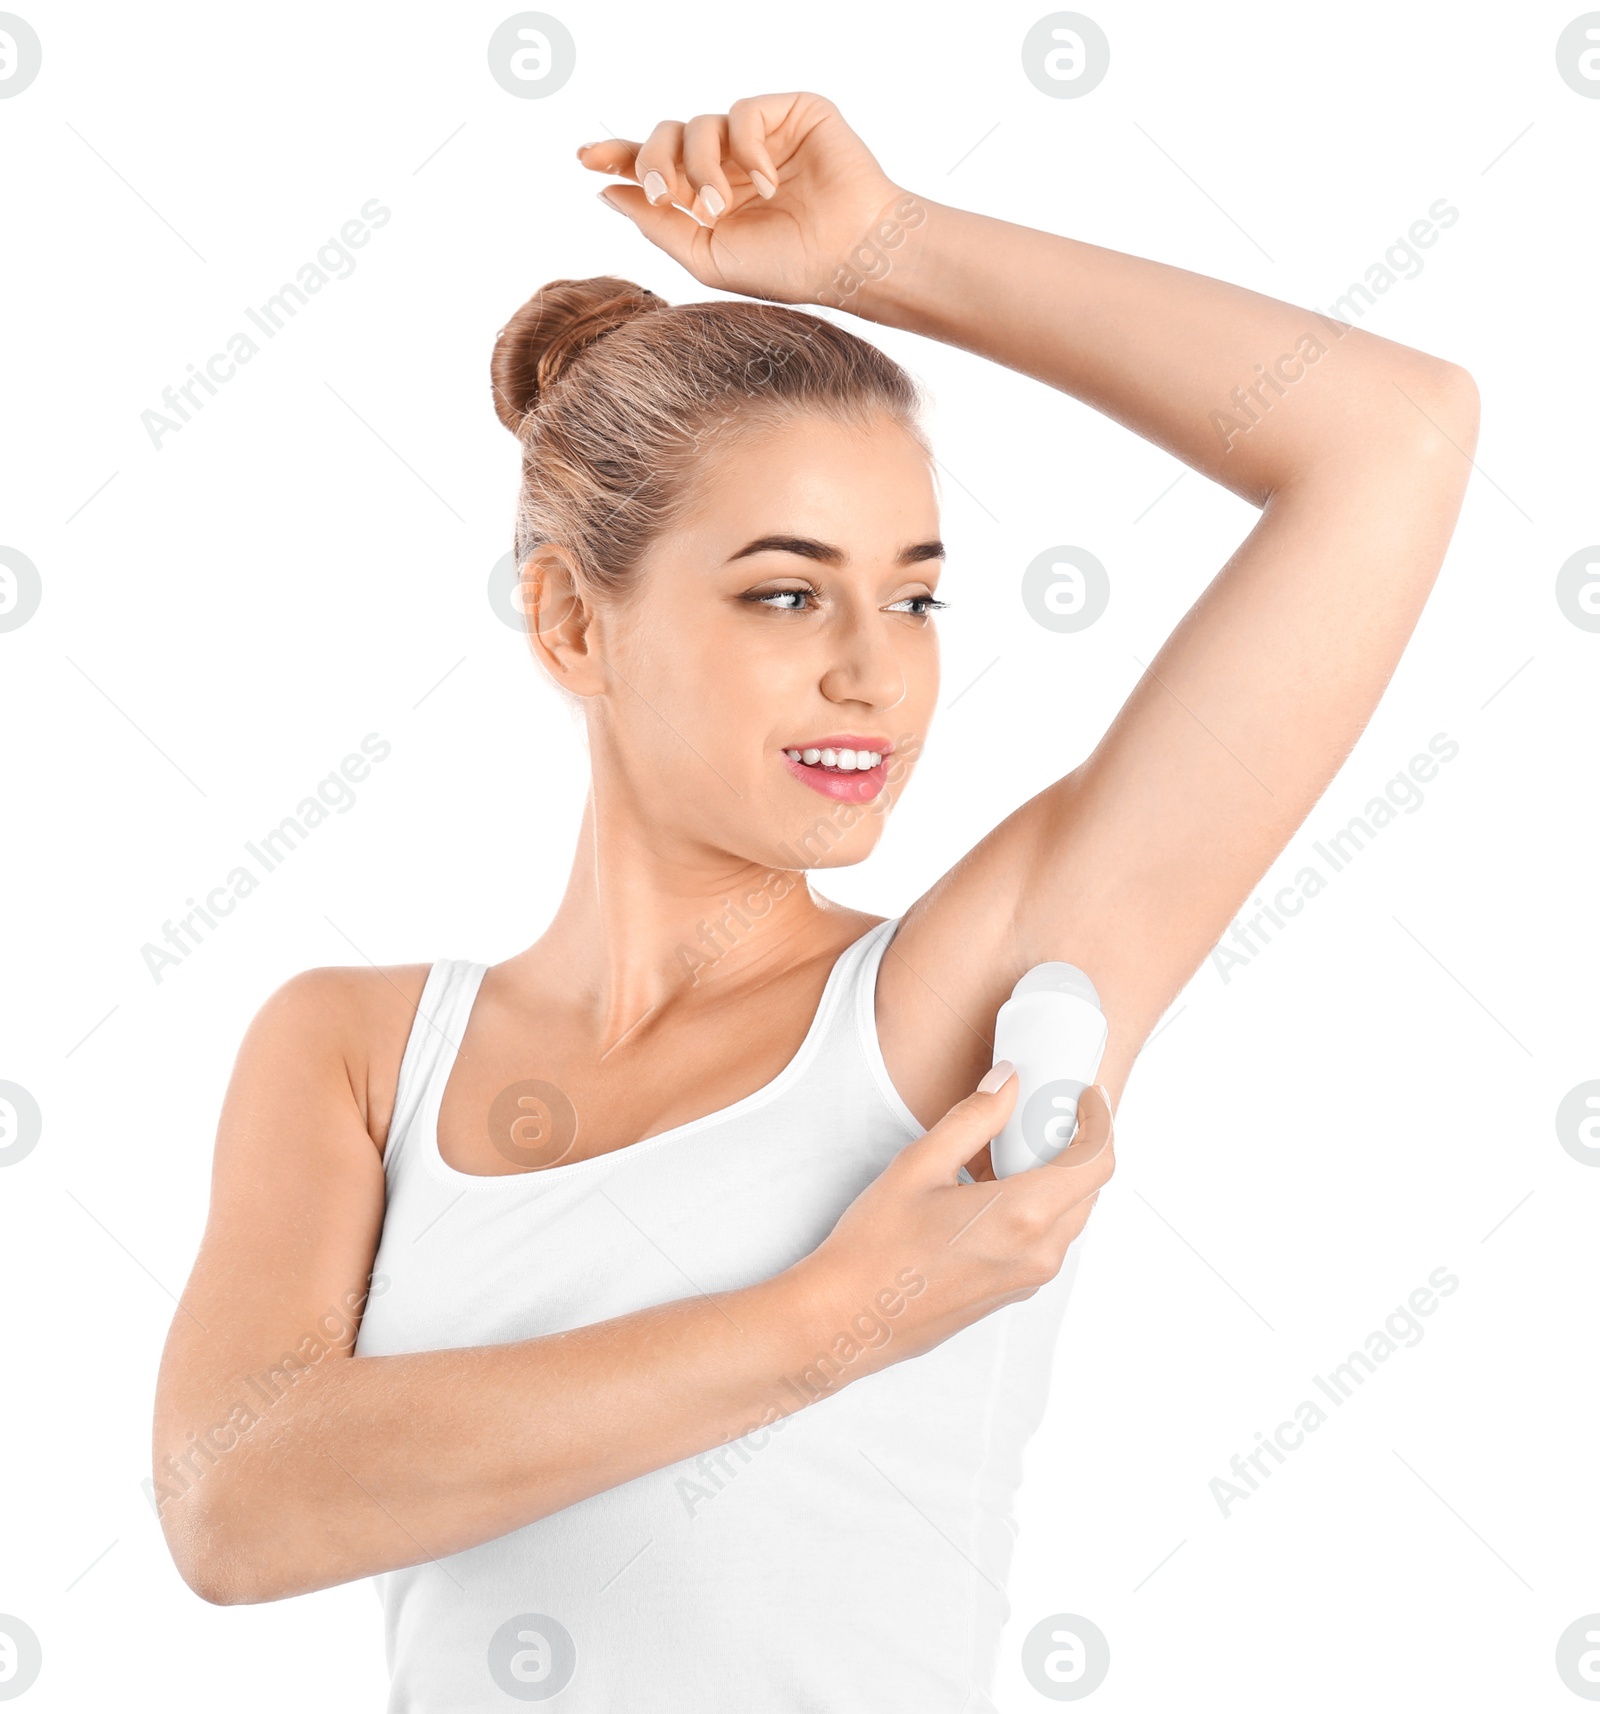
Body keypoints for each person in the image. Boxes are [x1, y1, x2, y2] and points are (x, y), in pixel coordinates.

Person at [152, 91, 1477, 1711]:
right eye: (787, 590)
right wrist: (831, 1320)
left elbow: (1393, 436)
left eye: (913, 595)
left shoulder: (943, 1012)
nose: (875, 671)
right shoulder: (356, 1052)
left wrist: (882, 250)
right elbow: (234, 1502)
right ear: (574, 626)